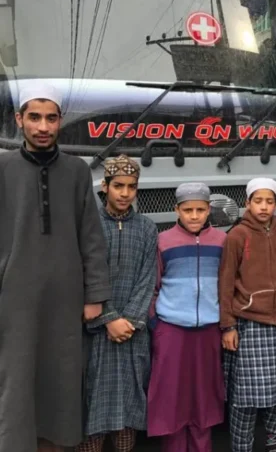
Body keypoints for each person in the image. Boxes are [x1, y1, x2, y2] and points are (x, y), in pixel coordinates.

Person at [0, 82, 110, 452]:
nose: (43, 127)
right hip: (13, 297)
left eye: (51, 118)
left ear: (60, 120)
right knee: (16, 379)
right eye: (34, 117)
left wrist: (94, 295)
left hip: (66, 299)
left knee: (61, 381)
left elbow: (91, 236)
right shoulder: (3, 167)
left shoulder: (77, 171)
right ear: (19, 120)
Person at [78, 155, 158, 452]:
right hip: (96, 331)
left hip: (132, 334)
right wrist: (109, 318)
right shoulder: (89, 226)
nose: (125, 193)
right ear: (105, 186)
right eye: (118, 186)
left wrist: (130, 321)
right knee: (92, 404)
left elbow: (147, 279)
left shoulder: (147, 228)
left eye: (131, 187)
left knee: (128, 406)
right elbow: (84, 275)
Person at [147, 182, 226, 452]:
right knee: (172, 395)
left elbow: (226, 284)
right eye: (188, 210)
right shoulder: (163, 241)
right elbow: (153, 286)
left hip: (209, 329)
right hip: (171, 329)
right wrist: (156, 323)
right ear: (176, 210)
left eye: (200, 210)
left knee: (204, 395)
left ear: (209, 210)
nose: (194, 216)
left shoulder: (222, 241)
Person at [219, 177, 276, 452]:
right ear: (247, 203)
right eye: (258, 201)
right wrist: (228, 325)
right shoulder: (237, 236)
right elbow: (226, 282)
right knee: (245, 397)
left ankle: (273, 442)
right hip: (249, 323)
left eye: (270, 201)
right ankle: (242, 446)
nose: (264, 207)